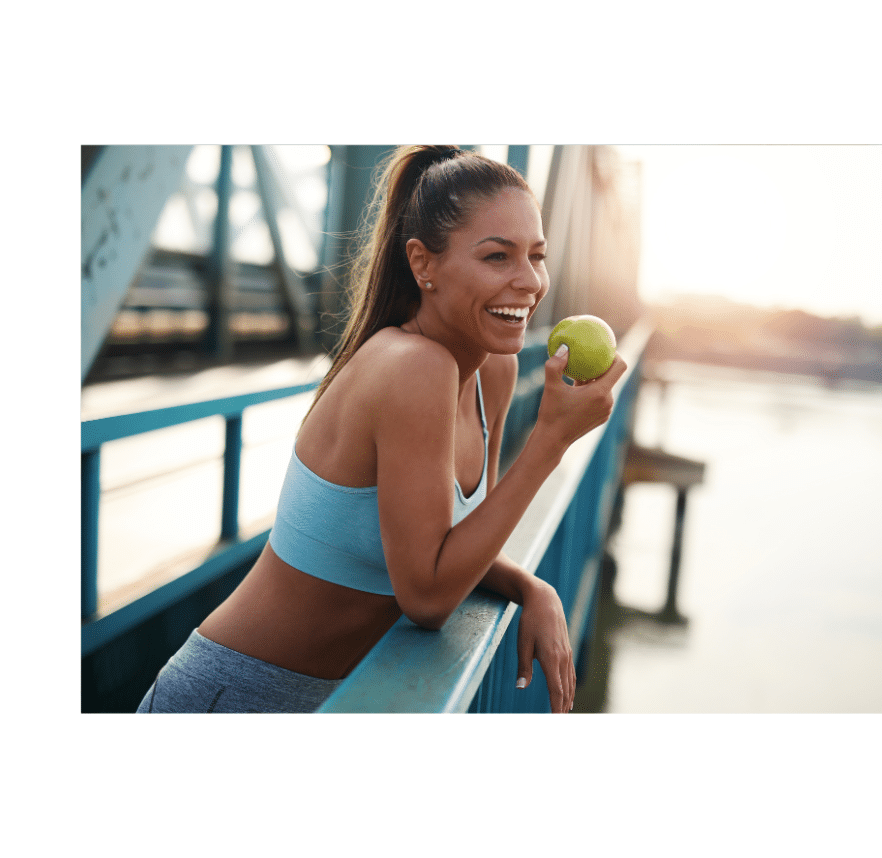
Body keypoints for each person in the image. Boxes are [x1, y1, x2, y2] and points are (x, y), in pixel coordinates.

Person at [137, 145, 626, 714]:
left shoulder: (494, 369)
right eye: (497, 257)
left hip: (329, 702)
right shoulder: (412, 366)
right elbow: (427, 595)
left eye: (536, 256)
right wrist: (550, 442)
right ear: (423, 264)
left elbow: (449, 545)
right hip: (237, 696)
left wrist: (529, 587)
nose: (529, 281)